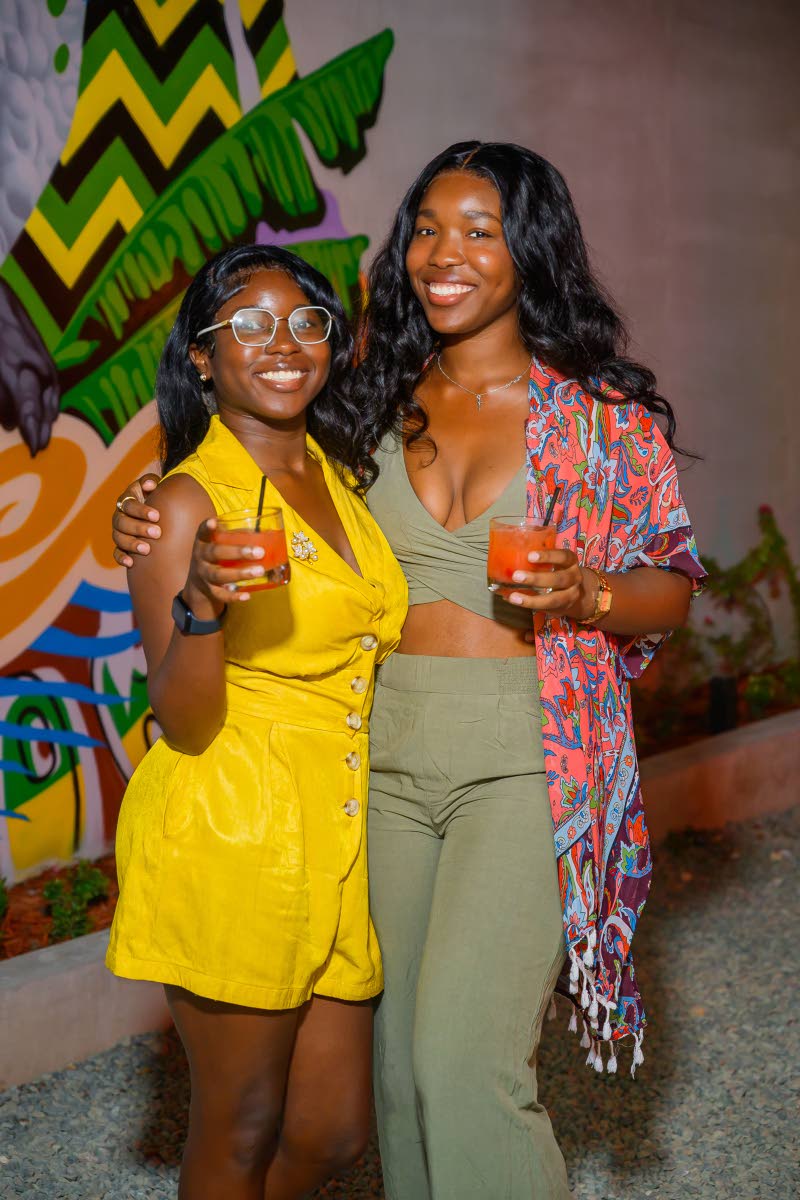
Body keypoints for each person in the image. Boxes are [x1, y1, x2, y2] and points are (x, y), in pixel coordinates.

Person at [112, 142, 706, 1200]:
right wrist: (153, 512)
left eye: (479, 230)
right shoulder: (368, 399)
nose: (444, 254)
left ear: (529, 250)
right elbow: (259, 459)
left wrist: (588, 597)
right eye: (426, 227)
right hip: (371, 766)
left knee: (461, 1061)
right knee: (385, 1085)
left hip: (522, 752)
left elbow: (670, 583)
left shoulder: (597, 418)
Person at [106, 243, 408, 1200]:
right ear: (202, 358)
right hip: (233, 830)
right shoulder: (187, 503)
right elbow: (184, 721)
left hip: (339, 830)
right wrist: (200, 601)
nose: (280, 344)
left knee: (331, 1130)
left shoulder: (340, 476)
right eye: (246, 325)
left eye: (305, 322)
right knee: (237, 1129)